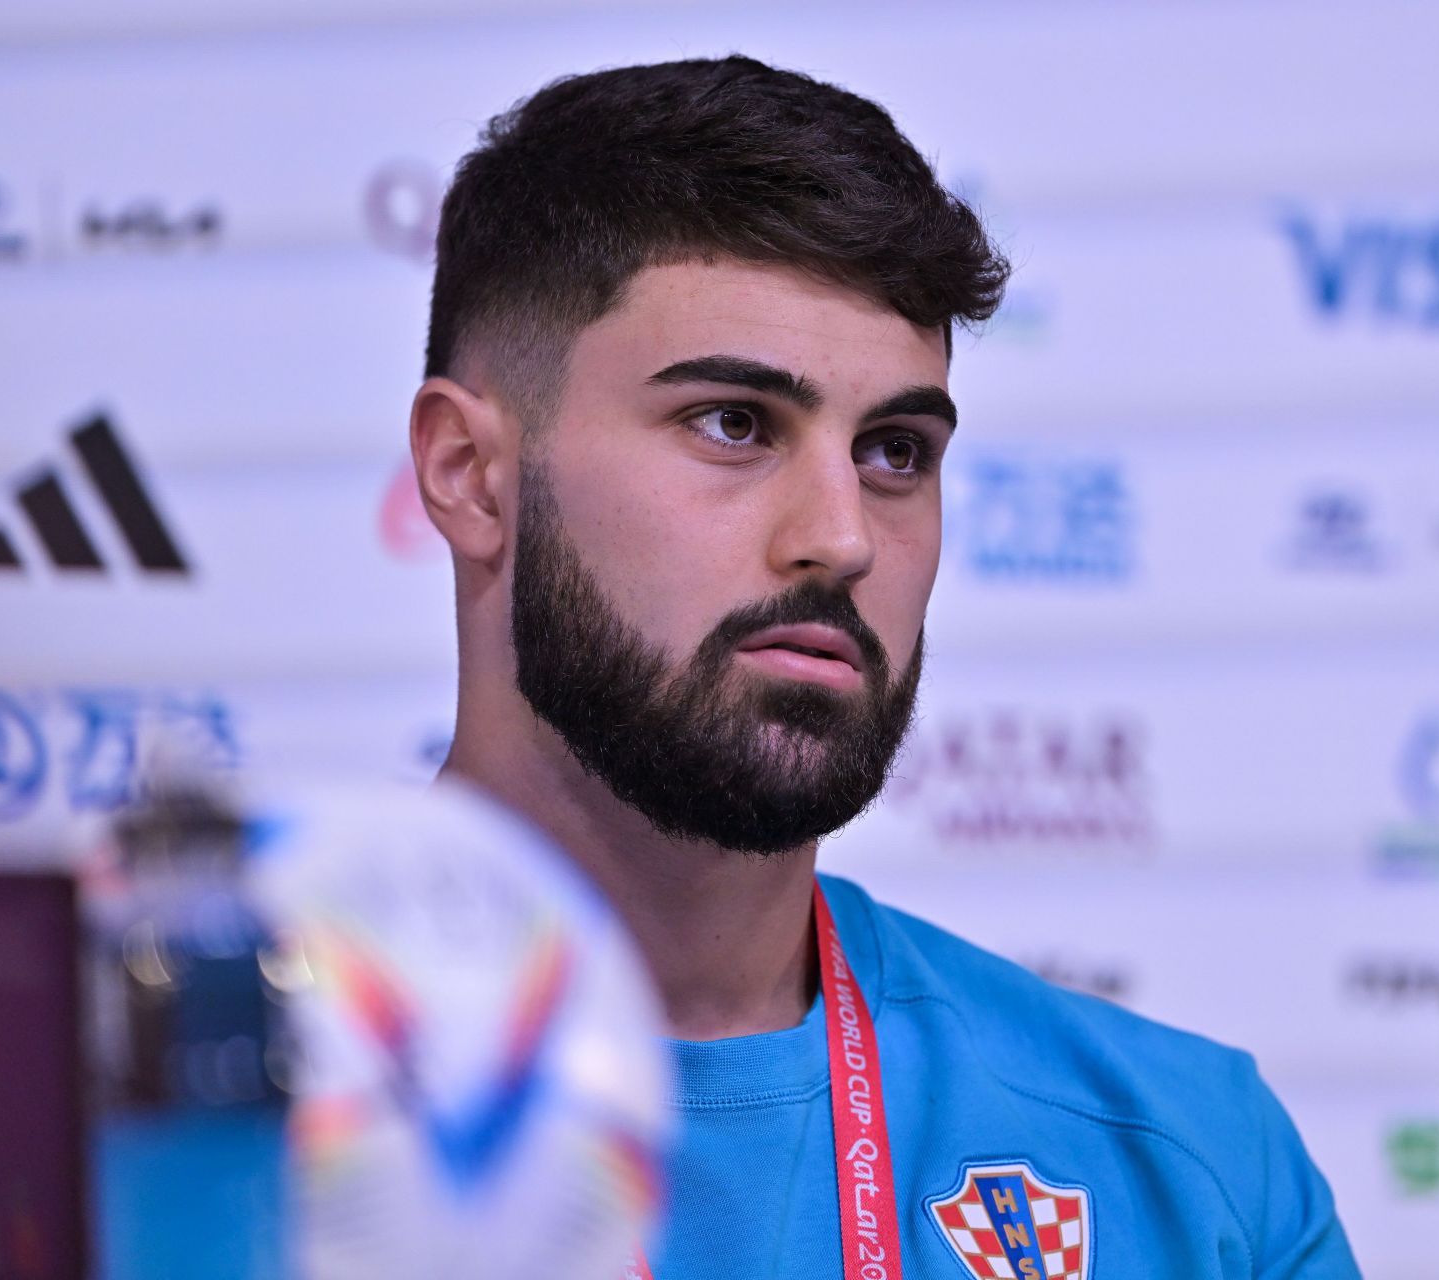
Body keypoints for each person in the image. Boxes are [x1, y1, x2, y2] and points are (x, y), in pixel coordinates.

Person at [408, 55, 1360, 1279]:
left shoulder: (1190, 1164)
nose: (843, 534)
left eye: (897, 450)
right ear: (470, 473)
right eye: (735, 423)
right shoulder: (173, 1115)